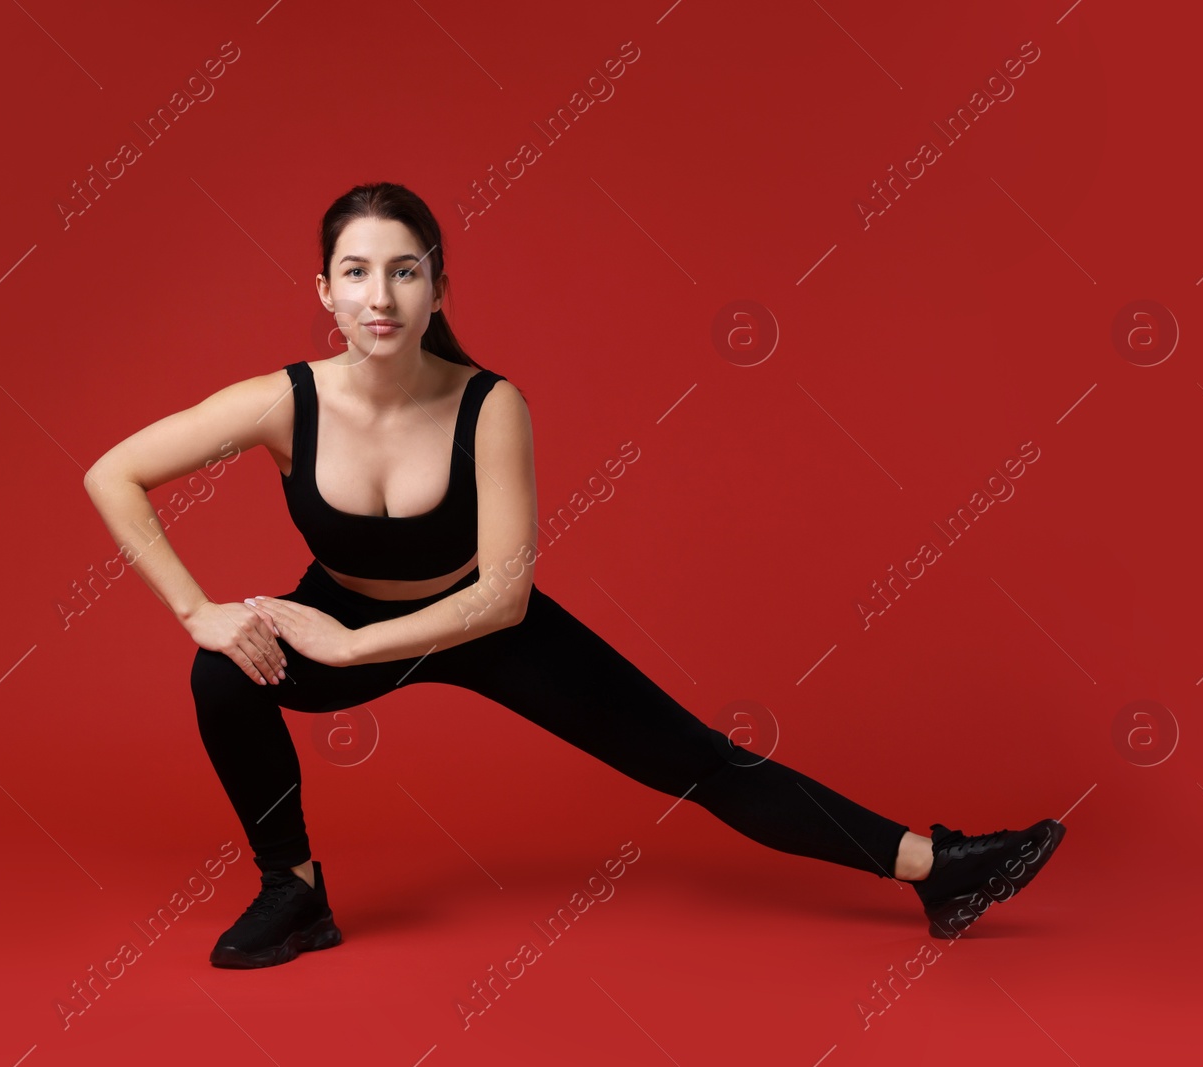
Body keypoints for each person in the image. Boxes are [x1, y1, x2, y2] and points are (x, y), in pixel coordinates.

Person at [82, 182, 1066, 969]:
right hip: (344, 610)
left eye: (404, 271)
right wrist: (198, 610)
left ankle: (936, 866)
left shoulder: (490, 405)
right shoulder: (280, 401)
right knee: (221, 671)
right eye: (356, 272)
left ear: (437, 287)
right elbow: (112, 471)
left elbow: (503, 593)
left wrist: (356, 645)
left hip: (481, 621)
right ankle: (293, 890)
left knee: (697, 757)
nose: (379, 297)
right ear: (324, 290)